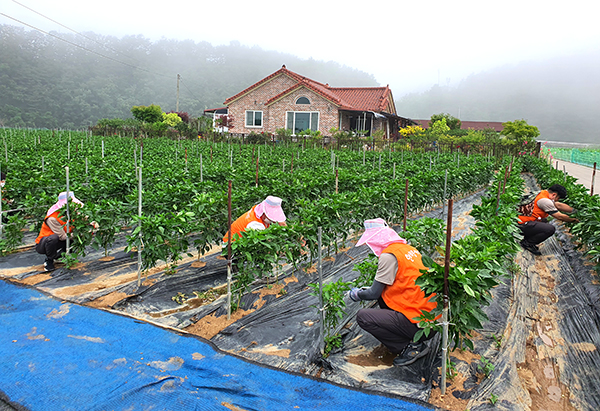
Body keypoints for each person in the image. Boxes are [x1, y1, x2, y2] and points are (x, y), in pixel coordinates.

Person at [348, 218, 437, 367]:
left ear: (377, 239)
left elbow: (373, 294)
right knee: (384, 296)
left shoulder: (389, 256)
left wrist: (356, 294)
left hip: (420, 325)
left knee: (363, 317)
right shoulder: (409, 249)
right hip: (431, 317)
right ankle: (404, 334)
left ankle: (410, 347)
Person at [518, 184, 578, 256]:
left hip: (521, 221)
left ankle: (528, 238)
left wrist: (575, 211)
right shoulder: (545, 201)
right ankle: (527, 243)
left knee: (544, 221)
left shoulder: (542, 193)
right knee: (550, 229)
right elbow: (559, 216)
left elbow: (558, 205)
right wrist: (576, 220)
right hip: (521, 225)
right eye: (557, 198)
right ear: (554, 195)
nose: (557, 200)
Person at [35, 191, 83, 272]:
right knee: (53, 238)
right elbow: (63, 236)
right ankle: (49, 260)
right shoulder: (52, 218)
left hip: (61, 240)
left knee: (75, 239)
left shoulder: (72, 214)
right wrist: (79, 234)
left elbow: (84, 220)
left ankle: (60, 257)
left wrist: (91, 224)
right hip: (44, 243)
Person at [223, 195, 287, 243]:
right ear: (264, 213)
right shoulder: (255, 224)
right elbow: (263, 243)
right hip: (230, 246)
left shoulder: (256, 210)